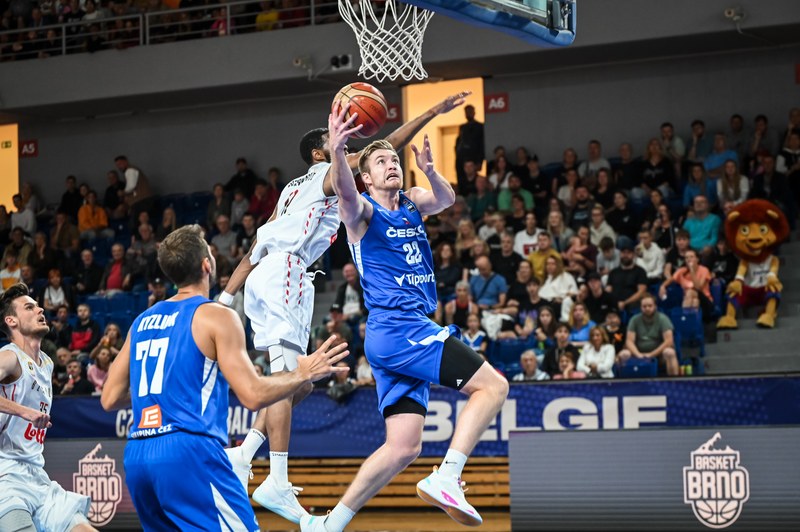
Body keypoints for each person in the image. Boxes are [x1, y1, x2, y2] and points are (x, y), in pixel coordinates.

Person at [220, 92, 472, 522]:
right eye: (337, 141)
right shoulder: (325, 172)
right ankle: (276, 479)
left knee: (298, 383)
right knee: (286, 377)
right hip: (286, 273)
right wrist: (429, 114)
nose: (349, 144)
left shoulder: (289, 193)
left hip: (266, 273)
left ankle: (244, 455)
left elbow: (253, 248)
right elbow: (382, 149)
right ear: (322, 153)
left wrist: (226, 299)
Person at [302, 103, 509, 531]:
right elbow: (343, 192)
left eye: (393, 159)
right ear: (366, 178)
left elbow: (446, 199)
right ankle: (448, 476)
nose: (391, 165)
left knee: (403, 447)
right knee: (493, 386)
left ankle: (331, 523)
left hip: (397, 334)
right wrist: (338, 151)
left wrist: (430, 171)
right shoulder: (362, 212)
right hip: (400, 327)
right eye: (380, 162)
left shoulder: (412, 202)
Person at [99, 225, 349, 530]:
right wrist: (302, 373)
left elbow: (109, 398)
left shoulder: (142, 321)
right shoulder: (216, 315)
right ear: (207, 264)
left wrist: (166, 388)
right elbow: (253, 394)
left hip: (138, 456)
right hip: (189, 451)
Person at [0, 283, 97, 532]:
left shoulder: (47, 363)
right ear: (11, 320)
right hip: (5, 476)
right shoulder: (9, 357)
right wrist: (23, 411)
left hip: (37, 476)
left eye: (38, 306)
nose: (40, 309)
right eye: (29, 307)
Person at [617, 294, 679, 376]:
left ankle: (673, 381)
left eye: (650, 306)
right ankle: (622, 382)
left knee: (670, 352)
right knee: (623, 354)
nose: (647, 308)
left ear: (655, 306)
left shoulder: (663, 319)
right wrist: (638, 355)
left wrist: (651, 354)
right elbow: (629, 341)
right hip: (638, 353)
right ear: (640, 307)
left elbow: (669, 341)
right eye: (644, 306)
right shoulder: (634, 319)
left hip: (659, 355)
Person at [455, 104, 485, 192]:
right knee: (462, 180)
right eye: (466, 112)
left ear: (474, 112)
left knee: (473, 179)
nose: (468, 114)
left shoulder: (479, 126)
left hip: (474, 157)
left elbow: (481, 144)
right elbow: (459, 142)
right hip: (461, 158)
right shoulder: (462, 127)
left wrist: (480, 161)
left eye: (470, 112)